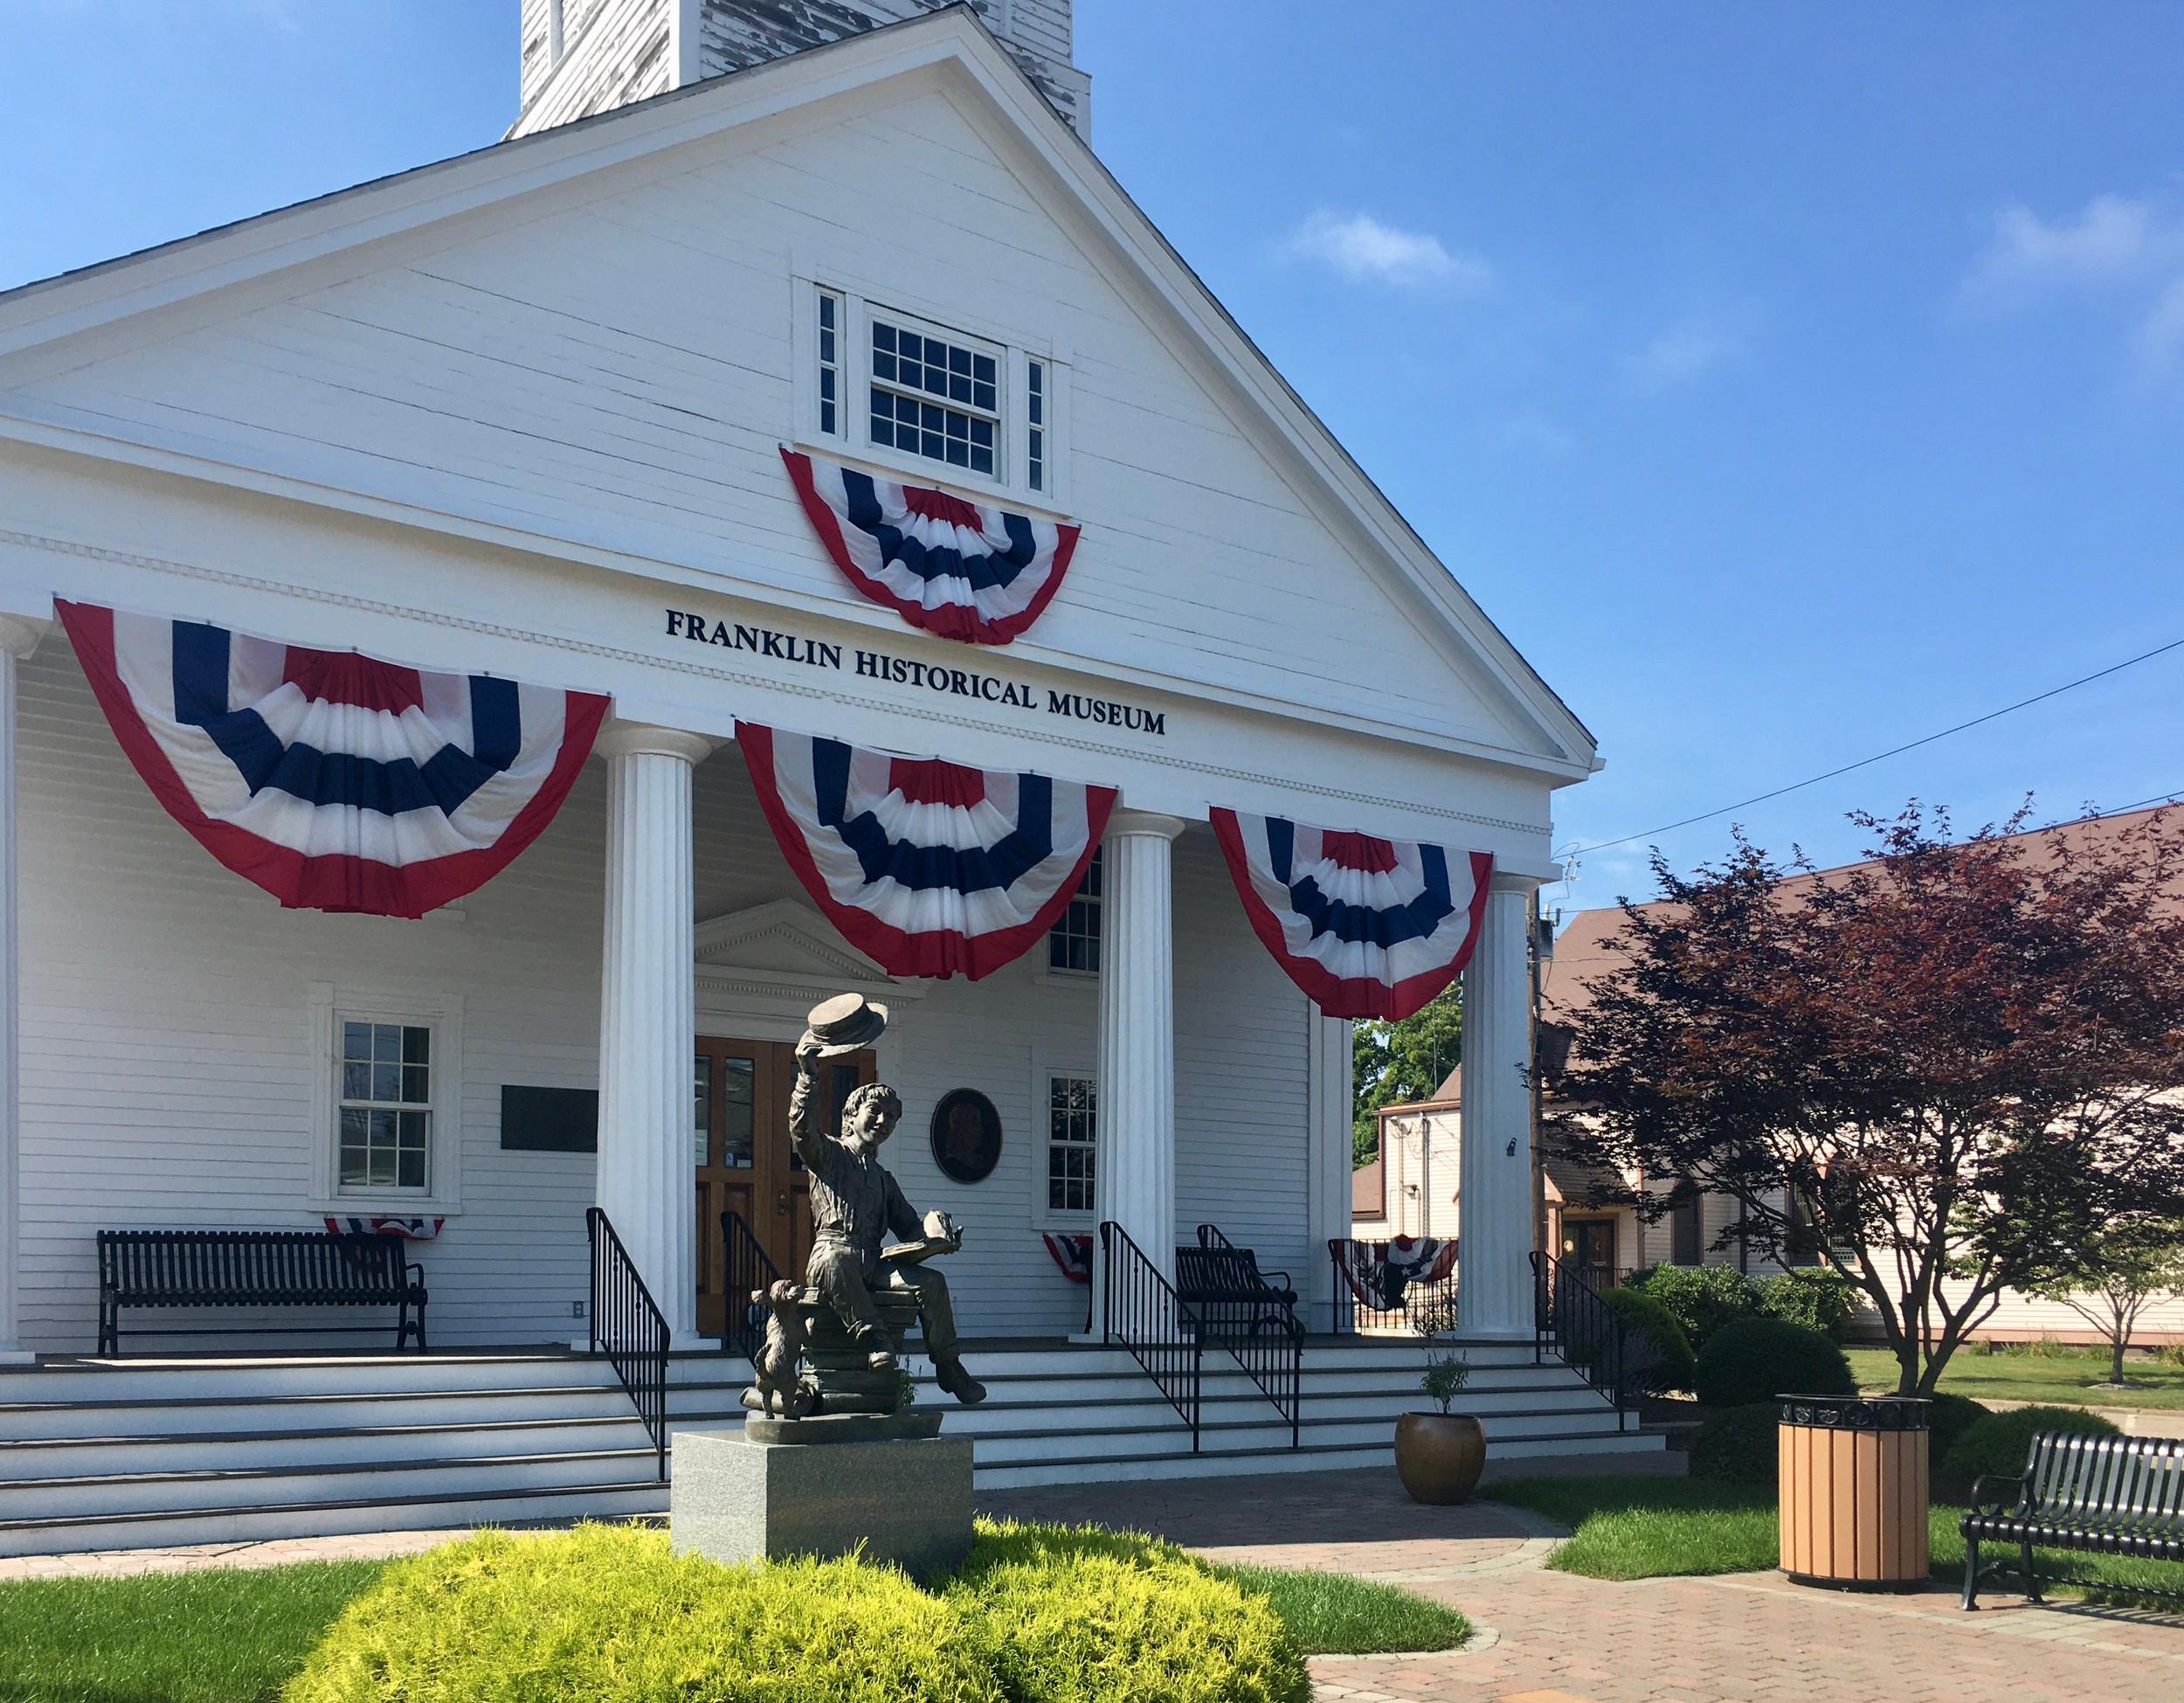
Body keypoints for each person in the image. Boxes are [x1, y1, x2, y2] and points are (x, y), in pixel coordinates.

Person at [791, 1035, 986, 1404]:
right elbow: (801, 1130)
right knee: (835, 1261)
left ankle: (949, 1366)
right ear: (851, 1116)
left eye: (892, 1118)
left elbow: (910, 1228)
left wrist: (939, 1238)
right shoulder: (828, 1155)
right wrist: (808, 1077)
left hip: (873, 1263)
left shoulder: (883, 1179)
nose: (884, 1122)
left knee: (932, 1282)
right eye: (875, 1112)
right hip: (833, 1254)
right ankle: (876, 1342)